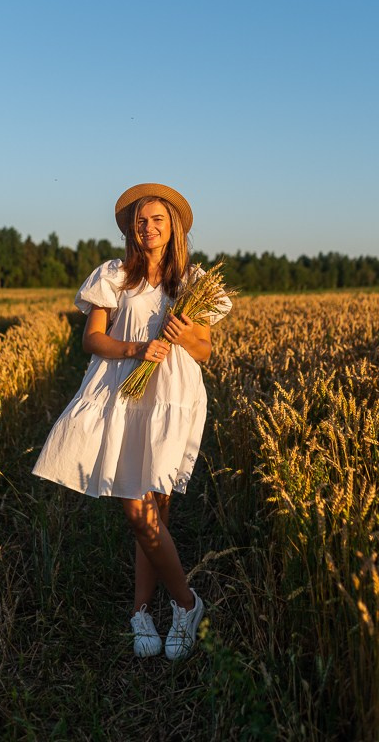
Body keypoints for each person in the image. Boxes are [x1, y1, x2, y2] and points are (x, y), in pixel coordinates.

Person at [32, 183, 232, 659]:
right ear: (131, 229)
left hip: (173, 397)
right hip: (124, 394)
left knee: (156, 515)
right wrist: (136, 349)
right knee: (138, 512)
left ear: (173, 227)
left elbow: (205, 350)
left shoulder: (193, 282)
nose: (148, 226)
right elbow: (92, 339)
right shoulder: (115, 276)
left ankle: (142, 611)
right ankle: (187, 604)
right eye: (140, 220)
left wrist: (183, 336)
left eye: (157, 219)